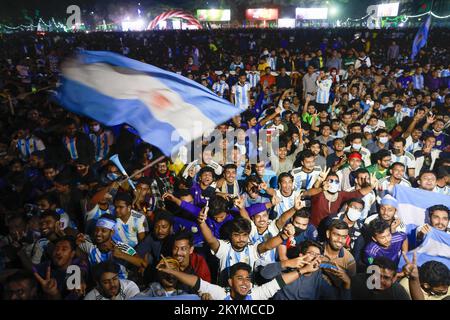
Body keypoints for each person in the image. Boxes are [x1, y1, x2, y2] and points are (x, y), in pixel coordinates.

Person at [157, 261, 304, 300]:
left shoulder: (256, 295)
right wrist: (172, 272)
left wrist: (302, 270)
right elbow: (196, 282)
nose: (245, 283)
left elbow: (278, 282)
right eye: (239, 278)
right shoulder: (220, 294)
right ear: (230, 282)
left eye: (247, 279)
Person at [260, 240, 351, 300]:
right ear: (301, 256)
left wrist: (347, 283)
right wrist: (287, 263)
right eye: (312, 254)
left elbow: (337, 297)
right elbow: (264, 274)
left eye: (318, 256)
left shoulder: (318, 277)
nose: (316, 258)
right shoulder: (289, 268)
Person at [76, 215, 147, 279]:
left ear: (112, 232)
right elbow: (76, 242)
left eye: (103, 231)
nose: (98, 234)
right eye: (97, 230)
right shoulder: (90, 246)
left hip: (122, 286)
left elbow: (142, 263)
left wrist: (121, 255)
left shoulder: (121, 247)